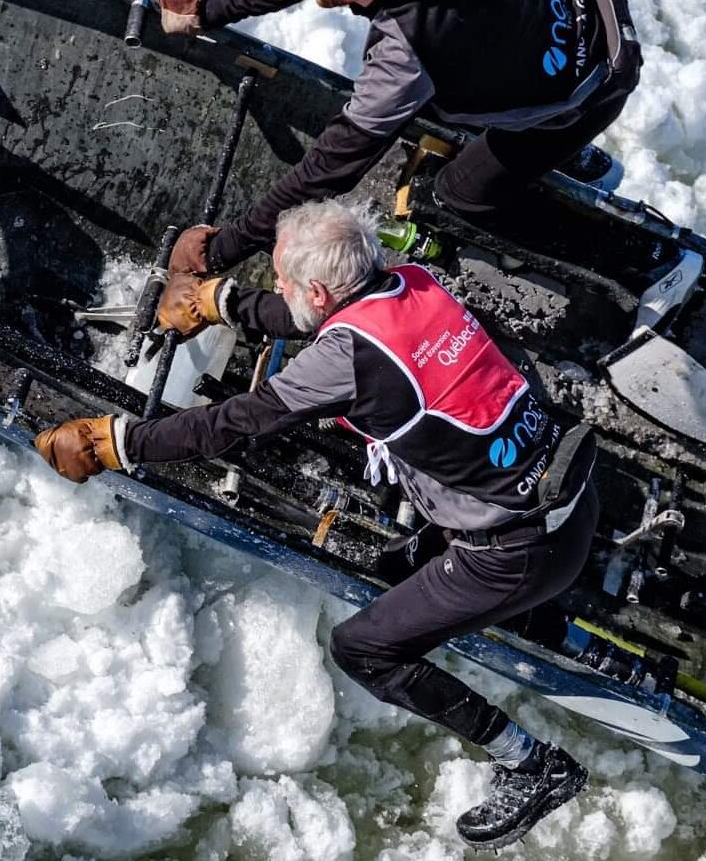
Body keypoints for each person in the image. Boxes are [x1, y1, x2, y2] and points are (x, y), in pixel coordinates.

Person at [34, 201, 600, 849]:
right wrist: (229, 304)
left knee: (364, 649)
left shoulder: (349, 360)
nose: (278, 290)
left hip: (513, 554)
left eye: (282, 281)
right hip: (569, 494)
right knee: (409, 556)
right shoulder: (414, 282)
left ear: (321, 289)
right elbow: (321, 320)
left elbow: (234, 423)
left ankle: (532, 762)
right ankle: (565, 631)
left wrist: (119, 443)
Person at [148, 0, 642, 277]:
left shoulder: (406, 54)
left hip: (590, 87)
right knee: (461, 83)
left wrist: (226, 247)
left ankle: (628, 257)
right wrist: (209, 9)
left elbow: (333, 167)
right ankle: (562, 156)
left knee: (457, 195)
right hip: (575, 1)